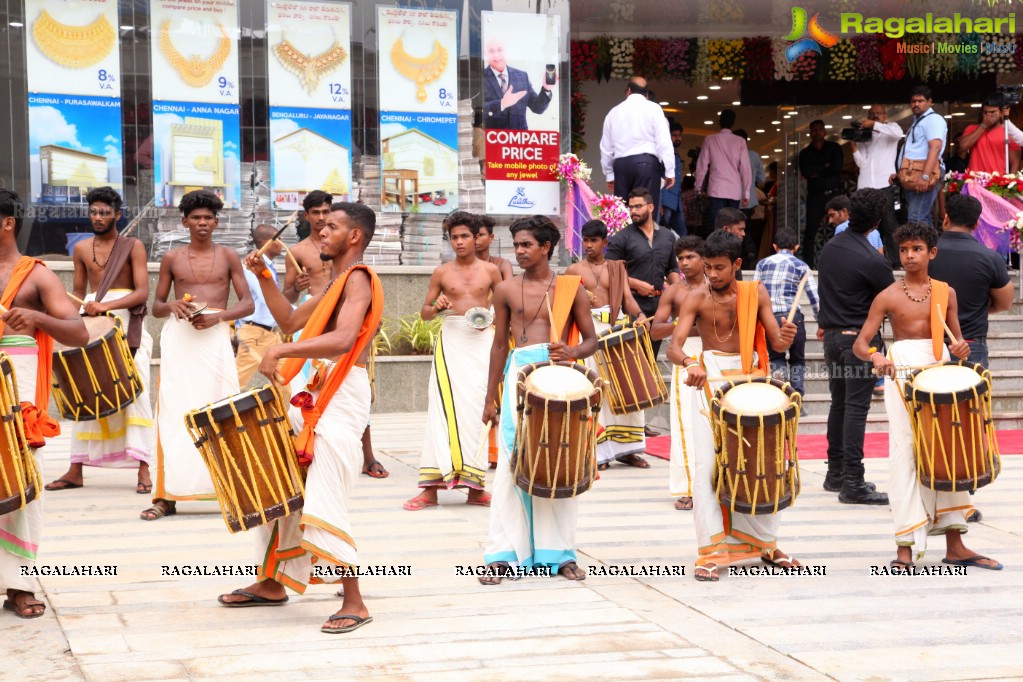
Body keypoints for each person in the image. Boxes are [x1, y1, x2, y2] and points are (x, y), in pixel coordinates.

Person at [220, 202, 386, 633]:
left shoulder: (360, 279)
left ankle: (355, 600)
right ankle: (274, 582)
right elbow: (290, 318)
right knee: (285, 487)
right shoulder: (334, 285)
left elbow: (344, 340)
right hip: (311, 391)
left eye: (331, 226)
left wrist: (281, 350)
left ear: (354, 236)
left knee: (325, 492)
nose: (321, 230)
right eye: (320, 223)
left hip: (341, 392)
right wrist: (264, 277)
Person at [853, 221, 1001, 573]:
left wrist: (961, 348)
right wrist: (876, 356)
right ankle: (904, 545)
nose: (909, 256)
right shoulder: (887, 295)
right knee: (905, 451)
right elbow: (861, 343)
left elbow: (958, 342)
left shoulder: (945, 292)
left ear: (932, 252)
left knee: (946, 448)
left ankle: (955, 544)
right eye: (904, 250)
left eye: (917, 249)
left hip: (940, 369)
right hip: (902, 372)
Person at [666, 231, 799, 581]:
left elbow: (774, 337)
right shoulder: (695, 297)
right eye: (708, 267)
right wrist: (689, 364)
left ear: (738, 265)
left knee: (763, 462)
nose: (712, 274)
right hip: (708, 381)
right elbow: (673, 348)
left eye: (720, 268)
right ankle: (711, 551)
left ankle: (766, 544)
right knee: (708, 467)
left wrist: (784, 337)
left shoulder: (756, 294)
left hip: (751, 383)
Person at [478, 215, 597, 584]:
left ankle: (559, 555)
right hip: (519, 376)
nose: (520, 251)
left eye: (527, 244)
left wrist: (573, 352)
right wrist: (489, 397)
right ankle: (504, 553)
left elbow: (592, 340)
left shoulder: (570, 288)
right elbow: (499, 344)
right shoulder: (506, 289)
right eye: (516, 245)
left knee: (558, 460)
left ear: (546, 247)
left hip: (560, 378)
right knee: (514, 463)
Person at [0, 188, 89, 618]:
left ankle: (20, 586)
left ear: (7, 223)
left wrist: (38, 319)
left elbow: (79, 333)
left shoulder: (36, 275)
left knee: (20, 483)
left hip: (18, 395)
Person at [141, 190, 254, 521]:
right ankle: (166, 496)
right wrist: (173, 304)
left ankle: (230, 491)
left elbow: (247, 303)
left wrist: (219, 316)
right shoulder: (172, 258)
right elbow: (156, 306)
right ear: (185, 221)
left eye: (208, 217)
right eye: (196, 217)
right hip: (180, 339)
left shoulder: (230, 256)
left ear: (216, 222)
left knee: (223, 409)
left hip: (215, 338)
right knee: (174, 411)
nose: (202, 223)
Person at [45, 187, 154, 494]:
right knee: (85, 391)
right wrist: (67, 313)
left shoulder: (133, 247)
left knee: (138, 393)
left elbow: (142, 292)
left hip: (127, 326)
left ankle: (144, 469)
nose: (97, 217)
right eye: (93, 211)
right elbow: (79, 293)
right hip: (91, 325)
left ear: (117, 215)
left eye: (104, 212)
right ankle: (76, 469)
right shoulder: (81, 249)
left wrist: (105, 305)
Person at [403, 212, 501, 511]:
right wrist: (437, 305)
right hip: (452, 340)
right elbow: (425, 311)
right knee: (441, 411)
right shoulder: (442, 272)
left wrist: (494, 321)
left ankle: (475, 488)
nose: (459, 242)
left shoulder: (492, 271)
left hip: (483, 342)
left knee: (477, 413)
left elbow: (506, 305)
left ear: (477, 238)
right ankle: (430, 489)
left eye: (465, 236)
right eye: (454, 237)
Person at [816, 188, 893, 505]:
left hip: (833, 337)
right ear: (876, 222)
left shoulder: (830, 248)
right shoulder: (872, 260)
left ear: (848, 214)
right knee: (856, 410)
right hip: (858, 341)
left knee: (840, 404)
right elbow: (892, 301)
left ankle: (836, 474)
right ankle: (853, 482)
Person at [566, 220, 649, 471]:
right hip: (588, 332)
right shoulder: (573, 270)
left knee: (625, 389)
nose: (589, 245)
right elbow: (566, 304)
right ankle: (598, 450)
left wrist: (641, 316)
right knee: (595, 388)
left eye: (594, 241)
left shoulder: (616, 268)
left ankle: (627, 450)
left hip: (617, 330)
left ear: (605, 242)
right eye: (585, 240)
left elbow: (627, 298)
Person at [651, 235, 706, 511]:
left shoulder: (716, 287)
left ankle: (714, 484)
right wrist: (686, 325)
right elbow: (655, 329)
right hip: (684, 354)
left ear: (704, 258)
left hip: (715, 355)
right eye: (680, 258)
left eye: (690, 257)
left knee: (713, 421)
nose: (684, 263)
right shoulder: (674, 291)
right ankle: (687, 487)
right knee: (685, 421)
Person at [930, 193, 1014, 369]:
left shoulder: (926, 255)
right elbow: (1005, 303)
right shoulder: (990, 258)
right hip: (971, 345)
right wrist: (978, 308)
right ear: (976, 224)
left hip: (930, 344)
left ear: (946, 218)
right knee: (972, 396)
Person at [605, 187, 681, 363]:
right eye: (630, 207)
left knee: (650, 359)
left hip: (660, 306)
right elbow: (607, 272)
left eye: (638, 206)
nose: (633, 211)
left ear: (651, 207)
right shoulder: (621, 238)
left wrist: (678, 293)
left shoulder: (668, 236)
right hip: (631, 304)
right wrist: (634, 284)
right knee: (634, 361)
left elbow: (672, 269)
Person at [753, 228, 819, 405]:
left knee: (776, 358)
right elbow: (814, 297)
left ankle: (781, 397)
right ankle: (796, 399)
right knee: (797, 360)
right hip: (793, 318)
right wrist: (821, 322)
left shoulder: (762, 264)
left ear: (774, 246)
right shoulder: (802, 266)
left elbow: (753, 291)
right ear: (796, 247)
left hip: (769, 318)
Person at [599, 77, 675, 210]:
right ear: (646, 95)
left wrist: (609, 174)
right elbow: (664, 140)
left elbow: (606, 147)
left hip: (621, 166)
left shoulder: (613, 112)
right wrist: (670, 170)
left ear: (628, 91)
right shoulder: (654, 109)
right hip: (646, 165)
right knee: (645, 212)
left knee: (622, 214)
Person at [851, 104, 903, 262]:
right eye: (872, 114)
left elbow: (899, 134)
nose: (875, 116)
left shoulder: (892, 128)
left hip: (884, 184)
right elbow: (862, 164)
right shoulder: (865, 135)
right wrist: (853, 146)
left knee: (889, 224)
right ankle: (865, 260)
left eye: (878, 113)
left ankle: (895, 262)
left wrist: (874, 124)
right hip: (865, 185)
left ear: (885, 115)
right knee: (866, 224)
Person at [235, 224, 284, 387]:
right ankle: (211, 411)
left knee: (285, 381)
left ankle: (286, 412)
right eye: (279, 239)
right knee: (235, 382)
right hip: (255, 333)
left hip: (272, 334)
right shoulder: (251, 265)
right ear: (265, 243)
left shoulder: (269, 266)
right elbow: (267, 299)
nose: (282, 243)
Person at [895, 85, 947, 226]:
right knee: (920, 217)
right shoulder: (919, 120)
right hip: (912, 172)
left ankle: (926, 248)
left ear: (930, 102)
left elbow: (935, 147)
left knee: (916, 217)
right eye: (913, 101)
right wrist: (899, 172)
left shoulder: (933, 119)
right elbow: (915, 150)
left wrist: (925, 176)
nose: (916, 104)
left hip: (924, 172)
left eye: (920, 101)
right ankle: (930, 248)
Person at [798, 119, 844, 268]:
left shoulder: (835, 148)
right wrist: (825, 167)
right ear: (810, 133)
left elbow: (836, 168)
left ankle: (842, 262)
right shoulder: (805, 153)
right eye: (814, 129)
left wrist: (817, 171)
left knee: (841, 228)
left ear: (825, 132)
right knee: (810, 231)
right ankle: (808, 266)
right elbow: (806, 172)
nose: (817, 132)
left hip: (834, 194)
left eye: (820, 129)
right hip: (815, 196)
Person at [695, 108, 751, 226]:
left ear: (719, 122)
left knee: (718, 225)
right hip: (734, 190)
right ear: (733, 123)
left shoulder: (709, 139)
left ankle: (719, 244)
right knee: (733, 225)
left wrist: (698, 187)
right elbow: (745, 168)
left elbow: (702, 165)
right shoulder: (740, 141)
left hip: (716, 188)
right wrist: (746, 192)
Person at [483, 38, 553, 131]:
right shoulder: (479, 78)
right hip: (492, 141)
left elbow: (538, 108)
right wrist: (501, 104)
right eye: (491, 51)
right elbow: (475, 111)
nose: (496, 55)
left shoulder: (522, 76)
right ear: (486, 55)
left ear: (506, 52)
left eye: (500, 50)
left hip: (519, 142)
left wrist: (546, 89)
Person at [283, 191, 333, 305]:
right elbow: (287, 298)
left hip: (342, 312)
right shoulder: (297, 251)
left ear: (332, 213)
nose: (321, 217)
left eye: (325, 212)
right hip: (315, 311)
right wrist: (297, 288)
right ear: (306, 216)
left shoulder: (344, 245)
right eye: (316, 213)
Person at [959, 93, 1021, 174]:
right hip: (974, 181)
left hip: (997, 183)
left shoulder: (1009, 132)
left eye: (992, 112)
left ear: (1001, 113)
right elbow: (963, 146)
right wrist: (984, 125)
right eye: (986, 112)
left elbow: (1015, 162)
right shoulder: (972, 129)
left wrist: (1010, 183)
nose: (988, 115)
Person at [734, 129, 766, 256]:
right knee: (746, 228)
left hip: (733, 200)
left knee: (735, 229)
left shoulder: (729, 156)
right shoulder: (754, 156)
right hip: (750, 201)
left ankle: (746, 252)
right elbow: (761, 178)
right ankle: (750, 252)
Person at [660, 122, 687, 237]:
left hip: (676, 202)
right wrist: (659, 202)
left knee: (682, 234)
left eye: (679, 135)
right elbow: (659, 179)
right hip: (665, 200)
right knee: (663, 232)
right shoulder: (663, 154)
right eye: (674, 135)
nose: (678, 138)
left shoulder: (676, 154)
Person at [714, 207, 754, 275]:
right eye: (740, 229)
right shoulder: (710, 252)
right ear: (726, 229)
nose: (743, 234)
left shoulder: (736, 250)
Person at [474, 213, 513, 280]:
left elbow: (509, 289)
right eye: (472, 235)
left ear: (491, 237)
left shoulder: (503, 264)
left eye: (480, 235)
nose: (476, 239)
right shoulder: (461, 265)